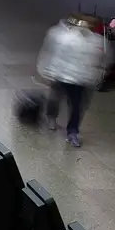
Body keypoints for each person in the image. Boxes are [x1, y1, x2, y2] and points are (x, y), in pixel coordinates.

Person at [37, 15, 108, 148]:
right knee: (55, 98)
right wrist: (47, 71)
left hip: (81, 80)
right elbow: (51, 53)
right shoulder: (61, 35)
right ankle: (52, 116)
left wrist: (97, 76)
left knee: (77, 107)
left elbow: (102, 60)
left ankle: (72, 132)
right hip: (61, 75)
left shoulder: (97, 41)